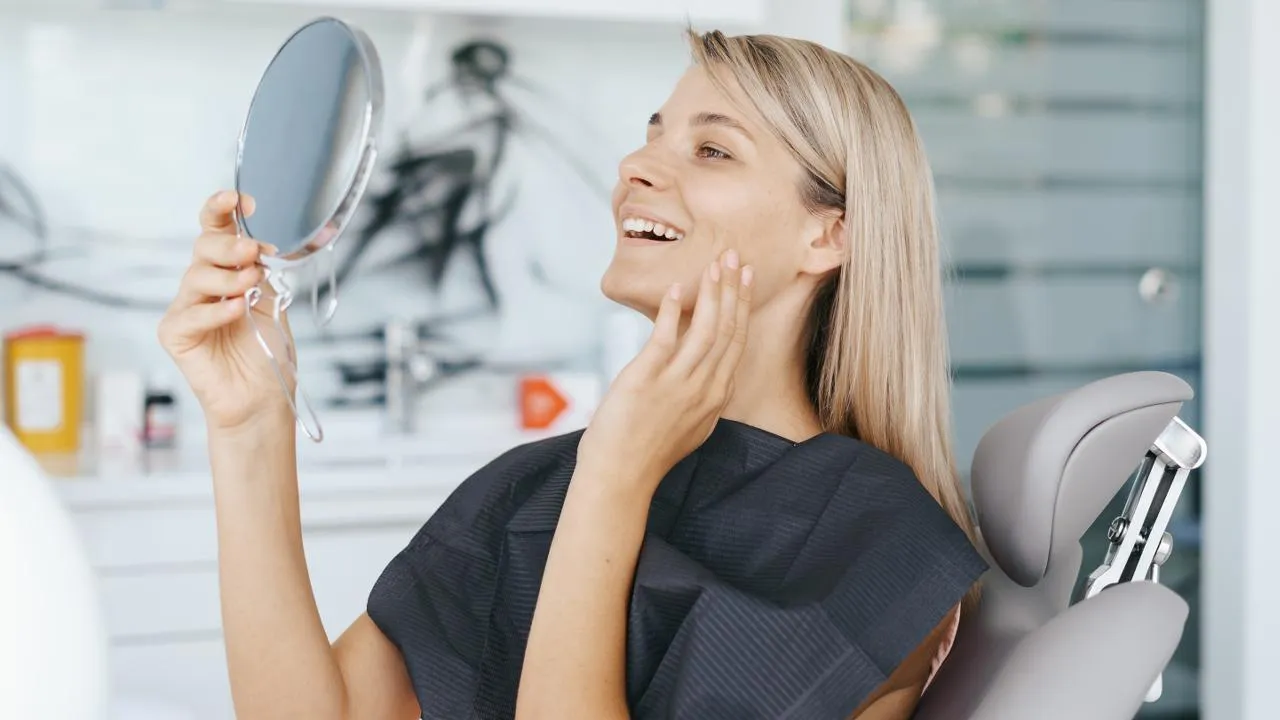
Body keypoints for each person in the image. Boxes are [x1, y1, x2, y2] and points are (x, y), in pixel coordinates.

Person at [158, 29, 985, 720]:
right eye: (653, 133)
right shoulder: (531, 485)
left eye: (712, 149)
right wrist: (249, 426)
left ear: (829, 237)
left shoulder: (881, 547)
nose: (637, 164)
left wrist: (613, 483)